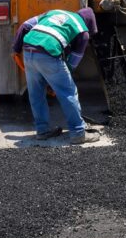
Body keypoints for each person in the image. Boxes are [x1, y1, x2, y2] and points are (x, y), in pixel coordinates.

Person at [12, 8, 100, 145]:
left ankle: (42, 131)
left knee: (36, 93)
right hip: (48, 52)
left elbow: (25, 26)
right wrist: (59, 80)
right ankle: (78, 133)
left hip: (28, 50)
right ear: (89, 24)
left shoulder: (54, 12)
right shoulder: (83, 32)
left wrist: (16, 49)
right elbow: (72, 62)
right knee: (68, 92)